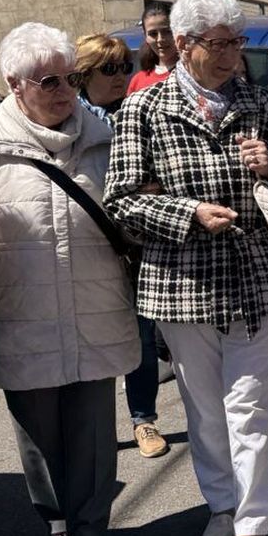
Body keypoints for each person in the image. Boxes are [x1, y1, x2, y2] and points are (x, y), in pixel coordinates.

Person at [106, 0, 268, 536]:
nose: (232, 56)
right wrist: (187, 215)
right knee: (204, 409)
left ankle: (252, 525)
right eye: (219, 44)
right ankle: (221, 504)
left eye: (236, 42)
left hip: (259, 278)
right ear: (183, 43)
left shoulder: (262, 103)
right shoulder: (145, 110)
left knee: (250, 406)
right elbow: (120, 201)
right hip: (182, 284)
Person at [0, 24, 141, 536]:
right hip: (19, 313)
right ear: (14, 84)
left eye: (71, 78)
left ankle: (90, 532)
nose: (64, 90)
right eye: (48, 81)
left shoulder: (108, 137)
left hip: (95, 306)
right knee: (36, 432)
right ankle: (57, 523)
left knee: (90, 429)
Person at [75, 34, 169, 458]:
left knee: (141, 335)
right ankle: (92, 429)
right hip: (87, 240)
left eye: (124, 68)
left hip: (131, 241)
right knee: (91, 338)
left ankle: (143, 420)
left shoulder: (136, 111)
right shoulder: (72, 117)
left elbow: (154, 174)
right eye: (109, 69)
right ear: (84, 73)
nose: (120, 77)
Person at [126, 3, 178, 95]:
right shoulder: (138, 80)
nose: (160, 39)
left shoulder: (193, 76)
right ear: (145, 36)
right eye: (153, 34)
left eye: (167, 32)